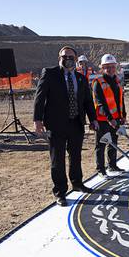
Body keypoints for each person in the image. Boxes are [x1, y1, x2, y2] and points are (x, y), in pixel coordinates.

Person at [33, 46, 97, 206]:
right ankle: (60, 192)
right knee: (58, 159)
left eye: (71, 57)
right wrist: (37, 120)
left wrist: (93, 119)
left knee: (76, 156)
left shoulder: (80, 77)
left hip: (76, 123)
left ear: (76, 60)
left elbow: (88, 100)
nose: (68, 59)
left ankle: (77, 183)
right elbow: (39, 98)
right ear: (59, 58)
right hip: (56, 124)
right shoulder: (49, 74)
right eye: (64, 56)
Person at [91, 54, 126, 178]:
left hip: (116, 119)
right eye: (107, 67)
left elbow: (120, 99)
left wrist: (123, 115)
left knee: (113, 143)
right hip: (103, 119)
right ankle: (101, 169)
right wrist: (110, 119)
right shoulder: (98, 83)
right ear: (102, 68)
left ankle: (112, 165)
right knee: (101, 144)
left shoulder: (117, 81)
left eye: (112, 66)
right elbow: (100, 103)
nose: (110, 69)